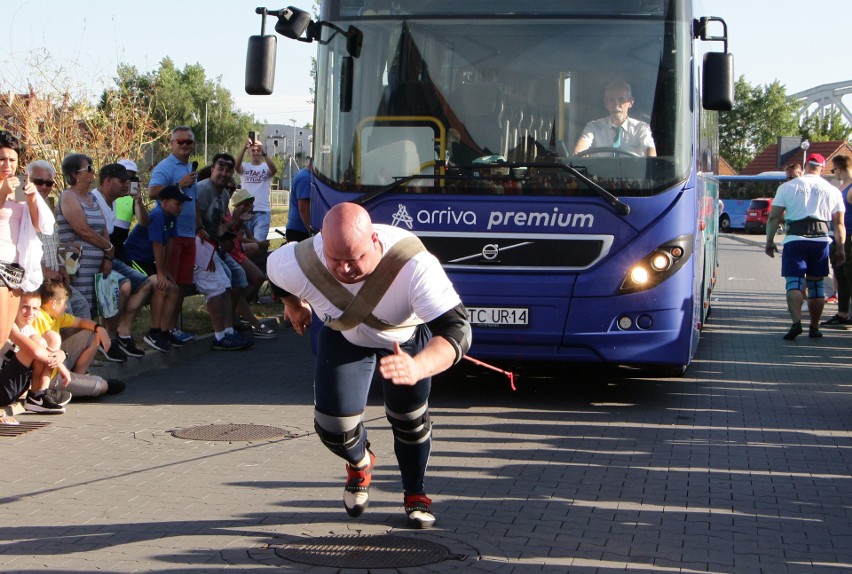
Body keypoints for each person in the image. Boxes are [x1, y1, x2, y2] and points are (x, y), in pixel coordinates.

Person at [266, 202, 472, 529]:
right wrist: (294, 304)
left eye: (356, 259)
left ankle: (415, 494)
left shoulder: (414, 265)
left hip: (403, 341)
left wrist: (419, 366)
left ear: (374, 241)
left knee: (409, 420)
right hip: (344, 335)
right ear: (323, 246)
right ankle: (361, 463)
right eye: (337, 261)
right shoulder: (300, 261)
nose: (346, 269)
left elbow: (458, 331)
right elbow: (273, 273)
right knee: (333, 428)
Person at [765, 153, 846, 340]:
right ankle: (815, 327)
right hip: (820, 241)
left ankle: (796, 323)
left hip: (794, 240)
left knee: (794, 282)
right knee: (816, 286)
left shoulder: (787, 187)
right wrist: (840, 248)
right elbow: (839, 224)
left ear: (805, 165)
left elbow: (774, 217)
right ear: (823, 168)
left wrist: (769, 242)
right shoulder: (833, 190)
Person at [197, 155, 271, 340]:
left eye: (228, 171)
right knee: (220, 284)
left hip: (218, 246)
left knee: (237, 277)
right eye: (220, 168)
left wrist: (236, 222)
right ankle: (222, 334)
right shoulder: (203, 189)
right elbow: (196, 221)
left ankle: (230, 328)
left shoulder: (222, 196)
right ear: (212, 168)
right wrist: (205, 238)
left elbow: (221, 227)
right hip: (202, 246)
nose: (224, 174)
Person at [91, 163, 154, 360]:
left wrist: (139, 201)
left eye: (132, 178)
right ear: (108, 181)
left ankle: (122, 333)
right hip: (101, 255)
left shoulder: (121, 200)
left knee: (145, 283)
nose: (128, 183)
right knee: (121, 286)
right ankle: (107, 338)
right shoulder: (96, 199)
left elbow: (144, 222)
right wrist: (107, 256)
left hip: (116, 252)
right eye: (124, 179)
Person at [148, 126, 201, 347]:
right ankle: (161, 329)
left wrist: (200, 227)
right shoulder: (165, 166)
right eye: (180, 142)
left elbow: (194, 200)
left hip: (189, 232)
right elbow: (152, 192)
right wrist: (178, 185)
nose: (185, 145)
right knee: (169, 283)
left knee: (181, 284)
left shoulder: (190, 167)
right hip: (173, 233)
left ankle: (172, 329)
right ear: (171, 143)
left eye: (189, 142)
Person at [33, 280, 125, 396]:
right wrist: (62, 355)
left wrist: (100, 328)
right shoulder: (39, 318)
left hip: (59, 364)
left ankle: (79, 378)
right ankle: (67, 388)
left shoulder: (55, 315)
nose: (66, 306)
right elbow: (41, 352)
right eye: (64, 303)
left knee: (93, 334)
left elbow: (81, 321)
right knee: (103, 386)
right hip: (50, 376)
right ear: (53, 303)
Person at [122, 185, 185, 353]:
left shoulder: (172, 217)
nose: (181, 207)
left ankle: (165, 331)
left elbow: (169, 244)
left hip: (150, 262)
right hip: (135, 259)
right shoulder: (158, 215)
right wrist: (161, 273)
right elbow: (157, 244)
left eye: (182, 204)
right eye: (177, 203)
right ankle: (154, 332)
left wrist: (165, 270)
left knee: (174, 290)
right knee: (160, 285)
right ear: (163, 202)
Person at [24, 160, 90, 318]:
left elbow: (51, 245)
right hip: (34, 280)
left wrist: (60, 268)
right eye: (38, 182)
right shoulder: (21, 207)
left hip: (54, 277)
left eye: (49, 183)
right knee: (65, 316)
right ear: (27, 180)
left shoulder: (46, 207)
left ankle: (86, 342)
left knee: (81, 306)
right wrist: (45, 270)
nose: (44, 187)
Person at [56, 153, 114, 319]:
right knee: (80, 307)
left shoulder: (93, 198)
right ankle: (82, 343)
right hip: (75, 263)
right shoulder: (68, 196)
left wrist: (107, 257)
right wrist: (108, 247)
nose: (93, 172)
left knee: (95, 308)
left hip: (96, 266)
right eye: (88, 168)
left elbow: (103, 228)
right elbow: (82, 229)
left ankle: (94, 339)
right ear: (75, 174)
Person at [0, 131, 41, 347]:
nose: (7, 164)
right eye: (2, 159)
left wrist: (32, 199)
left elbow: (36, 226)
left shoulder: (18, 187)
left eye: (12, 159)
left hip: (16, 266)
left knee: (5, 332)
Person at [11, 290, 72, 414]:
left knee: (52, 336)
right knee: (38, 342)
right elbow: (36, 351)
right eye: (25, 307)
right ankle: (36, 396)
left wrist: (61, 355)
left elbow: (42, 351)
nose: (30, 313)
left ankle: (39, 393)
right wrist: (61, 364)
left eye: (35, 309)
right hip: (5, 385)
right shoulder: (9, 325)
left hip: (20, 381)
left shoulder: (29, 328)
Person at [574, 80, 656, 157]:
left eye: (621, 100)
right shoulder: (593, 127)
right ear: (606, 103)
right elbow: (579, 151)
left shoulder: (642, 128)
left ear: (630, 102)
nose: (616, 105)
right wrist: (580, 155)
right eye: (611, 100)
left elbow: (651, 152)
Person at [821, 155, 852, 328]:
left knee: (850, 275)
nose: (834, 173)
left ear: (839, 169)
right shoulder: (842, 187)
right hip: (838, 236)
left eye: (833, 170)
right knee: (840, 275)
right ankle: (842, 313)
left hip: (850, 237)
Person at [236, 136, 277, 242]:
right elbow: (236, 166)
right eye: (253, 150)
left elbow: (274, 170)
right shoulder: (245, 167)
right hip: (246, 211)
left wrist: (265, 154)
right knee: (244, 245)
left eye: (258, 150)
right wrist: (244, 148)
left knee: (258, 244)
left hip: (262, 212)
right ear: (249, 153)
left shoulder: (265, 167)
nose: (256, 152)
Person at [285, 156, 312, 242]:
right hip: (300, 230)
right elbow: (303, 209)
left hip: (297, 229)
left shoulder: (303, 174)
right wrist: (311, 232)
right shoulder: (306, 178)